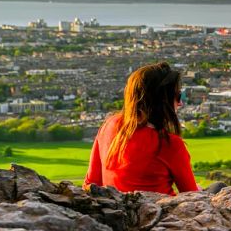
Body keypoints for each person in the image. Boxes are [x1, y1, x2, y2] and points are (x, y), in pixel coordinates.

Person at [83, 61, 199, 195]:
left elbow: (90, 184)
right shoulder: (169, 144)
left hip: (116, 208)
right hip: (157, 211)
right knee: (217, 187)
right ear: (162, 101)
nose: (181, 103)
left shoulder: (109, 124)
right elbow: (192, 196)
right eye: (178, 97)